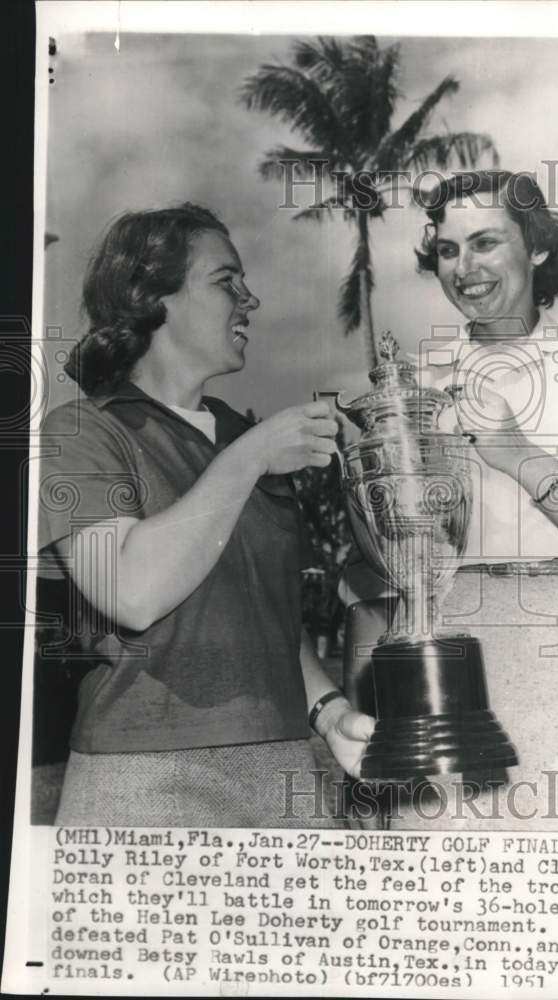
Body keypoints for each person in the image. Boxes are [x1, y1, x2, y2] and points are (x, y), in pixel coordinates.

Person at [341, 170, 558, 831]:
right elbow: (373, 587)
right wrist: (365, 743)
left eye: (485, 243)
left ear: (537, 246)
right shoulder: (412, 392)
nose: (463, 269)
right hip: (433, 668)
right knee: (435, 885)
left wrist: (517, 452)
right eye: (448, 250)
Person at [38, 203, 374, 827]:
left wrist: (330, 714)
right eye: (226, 281)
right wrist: (247, 460)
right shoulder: (80, 432)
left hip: (282, 767)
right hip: (144, 778)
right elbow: (130, 592)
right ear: (150, 296)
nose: (250, 299)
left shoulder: (242, 438)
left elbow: (266, 617)